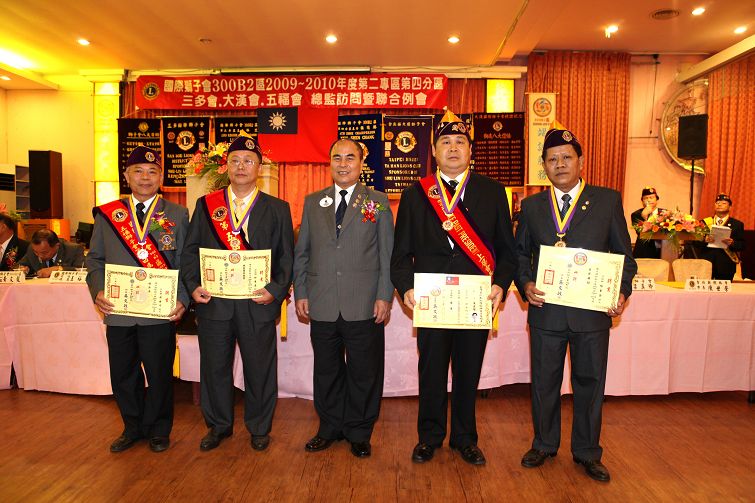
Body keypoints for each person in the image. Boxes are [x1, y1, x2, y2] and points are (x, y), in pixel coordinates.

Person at [391, 110, 517, 466]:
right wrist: (406, 288)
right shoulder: (415, 194)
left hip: (474, 300)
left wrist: (500, 285)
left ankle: (465, 438)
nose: (453, 148)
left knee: (468, 371)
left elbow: (508, 251)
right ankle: (429, 437)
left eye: (460, 141)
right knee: (431, 371)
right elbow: (400, 256)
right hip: (432, 301)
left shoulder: (493, 192)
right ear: (433, 151)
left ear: (470, 150)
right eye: (445, 142)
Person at [515, 128, 637, 482]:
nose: (560, 164)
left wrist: (621, 292)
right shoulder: (532, 206)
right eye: (552, 159)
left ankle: (587, 452)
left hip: (591, 313)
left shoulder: (607, 201)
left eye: (567, 157)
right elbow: (520, 254)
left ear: (580, 161)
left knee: (590, 383)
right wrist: (526, 284)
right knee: (544, 382)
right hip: (546, 312)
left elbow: (625, 258)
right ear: (544, 166)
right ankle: (544, 443)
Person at [181, 134, 294, 452]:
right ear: (226, 166)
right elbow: (190, 252)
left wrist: (274, 291)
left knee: (260, 368)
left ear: (259, 167)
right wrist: (193, 285)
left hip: (257, 303)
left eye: (248, 161)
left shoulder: (277, 208)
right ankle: (218, 425)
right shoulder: (207, 205)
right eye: (235, 160)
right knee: (214, 367)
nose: (241, 166)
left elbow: (287, 257)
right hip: (214, 303)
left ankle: (259, 427)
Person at [293, 138, 394, 459]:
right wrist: (301, 291)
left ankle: (359, 431)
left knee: (365, 371)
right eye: (337, 158)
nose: (343, 164)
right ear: (330, 163)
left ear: (362, 163)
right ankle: (329, 428)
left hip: (364, 303)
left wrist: (384, 295)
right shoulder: (313, 202)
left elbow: (387, 254)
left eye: (350, 158)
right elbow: (302, 252)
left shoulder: (377, 201)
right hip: (322, 301)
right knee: (326, 370)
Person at [86, 145, 189, 453]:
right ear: (127, 176)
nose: (145, 177)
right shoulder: (108, 214)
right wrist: (98, 290)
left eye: (152, 171)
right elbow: (95, 260)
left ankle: (159, 430)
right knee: (123, 374)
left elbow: (186, 262)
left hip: (159, 311)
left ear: (161, 177)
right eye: (138, 171)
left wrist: (183, 298)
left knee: (159, 374)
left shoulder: (178, 214)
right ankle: (132, 427)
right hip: (119, 310)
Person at [700, 193, 745, 280]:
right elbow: (695, 242)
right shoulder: (704, 222)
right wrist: (704, 239)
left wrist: (732, 243)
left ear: (730, 207)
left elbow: (742, 245)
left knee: (724, 288)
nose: (719, 205)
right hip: (706, 263)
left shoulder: (737, 224)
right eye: (717, 203)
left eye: (724, 203)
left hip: (726, 264)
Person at [18, 229, 85, 277]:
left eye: (44, 252)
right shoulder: (33, 249)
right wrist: (24, 269)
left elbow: (82, 270)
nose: (40, 256)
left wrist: (58, 269)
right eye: (36, 252)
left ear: (57, 246)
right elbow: (19, 266)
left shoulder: (73, 250)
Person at [630, 187, 663, 259]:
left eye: (651, 197)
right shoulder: (636, 214)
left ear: (656, 199)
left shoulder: (665, 213)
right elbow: (640, 233)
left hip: (663, 250)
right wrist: (644, 216)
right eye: (645, 198)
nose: (649, 200)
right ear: (642, 201)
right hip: (644, 252)